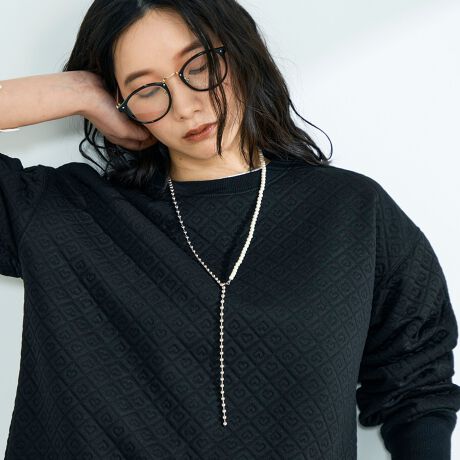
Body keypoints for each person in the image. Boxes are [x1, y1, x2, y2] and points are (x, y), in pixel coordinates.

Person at [1, 1, 459, 459]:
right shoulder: (63, 213)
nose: (186, 106)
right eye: (146, 89)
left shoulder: (352, 211)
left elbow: (417, 382)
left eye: (199, 66)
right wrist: (75, 89)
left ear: (240, 51)